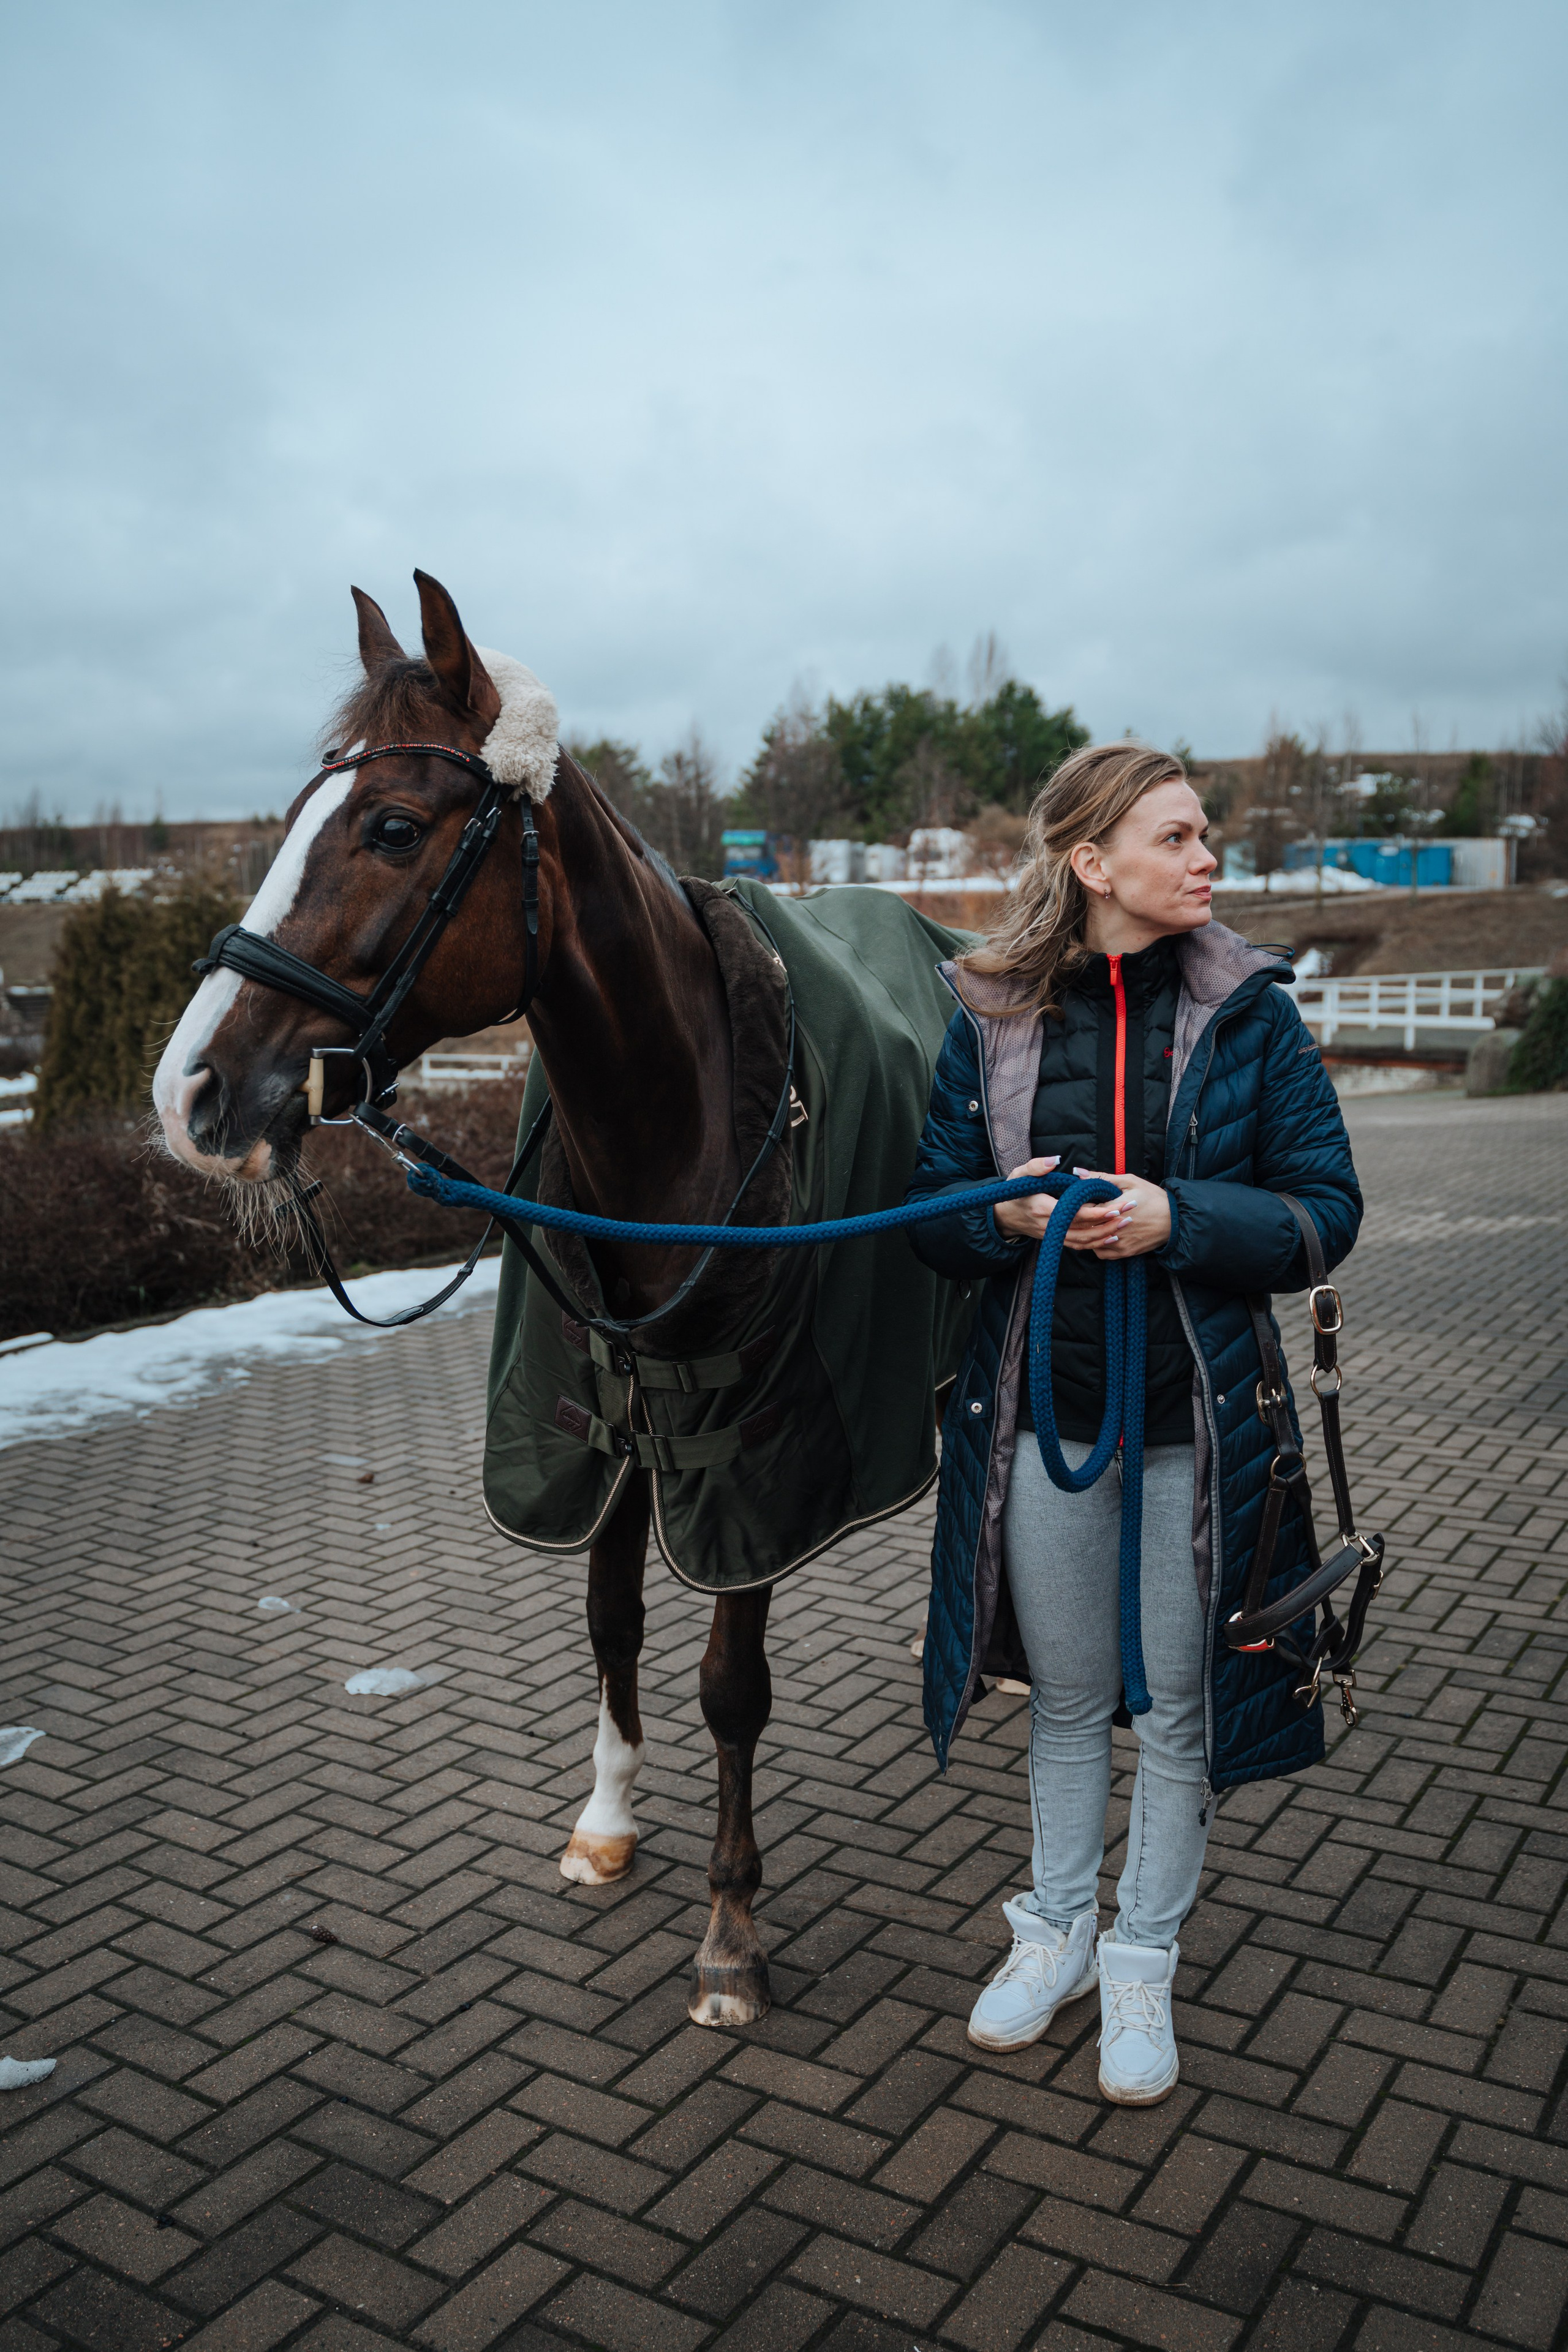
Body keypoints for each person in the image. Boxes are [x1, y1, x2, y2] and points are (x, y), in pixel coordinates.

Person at [905, 741, 1362, 2105]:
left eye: (1203, 834)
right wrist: (997, 1213)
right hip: (1040, 1427)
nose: (1205, 857)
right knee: (1063, 1700)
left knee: (1171, 1716)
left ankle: (1141, 1963)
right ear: (1092, 862)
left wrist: (1179, 1217)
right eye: (1176, 837)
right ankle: (1053, 1936)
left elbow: (1323, 1216)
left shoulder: (1251, 1015)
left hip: (1193, 1434)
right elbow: (930, 1211)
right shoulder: (985, 1018)